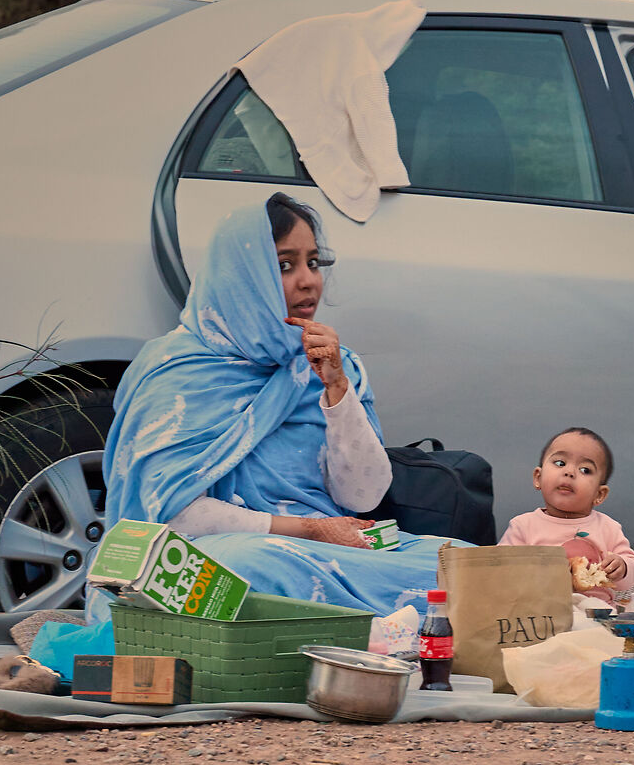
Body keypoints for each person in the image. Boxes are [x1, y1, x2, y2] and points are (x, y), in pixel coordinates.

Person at [93, 193, 457, 613]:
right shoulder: (178, 371)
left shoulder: (330, 363)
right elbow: (170, 514)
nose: (308, 281)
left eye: (313, 262)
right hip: (223, 550)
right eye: (285, 265)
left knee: (457, 561)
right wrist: (311, 531)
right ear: (241, 276)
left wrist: (337, 388)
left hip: (331, 547)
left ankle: (371, 621)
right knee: (256, 564)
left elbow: (363, 497)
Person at [498, 427, 634, 600]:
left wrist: (623, 567)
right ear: (538, 477)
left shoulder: (608, 528)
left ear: (599, 494)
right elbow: (500, 571)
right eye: (560, 463)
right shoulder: (523, 526)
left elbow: (633, 573)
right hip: (539, 608)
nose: (569, 472)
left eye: (585, 470)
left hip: (594, 609)